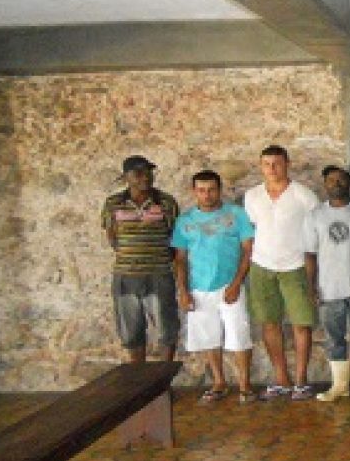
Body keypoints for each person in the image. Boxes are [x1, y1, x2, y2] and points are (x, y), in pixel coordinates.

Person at [171, 170, 256, 402]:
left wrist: (237, 282)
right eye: (201, 190)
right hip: (199, 287)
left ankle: (245, 384)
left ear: (219, 190)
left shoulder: (236, 215)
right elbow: (180, 258)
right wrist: (183, 290)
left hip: (230, 285)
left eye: (211, 190)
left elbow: (249, 249)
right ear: (194, 192)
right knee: (209, 337)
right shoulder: (185, 221)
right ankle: (219, 382)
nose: (207, 195)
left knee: (239, 334)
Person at [243, 145, 320, 401]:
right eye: (267, 164)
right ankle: (281, 377)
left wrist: (312, 275)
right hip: (262, 265)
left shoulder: (304, 196)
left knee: (301, 322)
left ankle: (301, 379)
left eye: (277, 163)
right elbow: (254, 228)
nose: (272, 169)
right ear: (260, 166)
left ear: (287, 164)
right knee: (269, 322)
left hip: (295, 265)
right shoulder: (252, 196)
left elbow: (314, 234)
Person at [304, 165, 350, 403]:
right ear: (325, 184)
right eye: (331, 180)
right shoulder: (315, 215)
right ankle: (340, 385)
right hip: (328, 288)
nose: (336, 184)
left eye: (341, 180)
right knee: (334, 339)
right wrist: (311, 286)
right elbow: (310, 254)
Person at [101, 155, 180, 363]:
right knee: (131, 333)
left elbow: (175, 238)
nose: (145, 177)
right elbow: (112, 236)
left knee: (166, 331)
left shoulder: (166, 202)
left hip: (159, 274)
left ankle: (162, 384)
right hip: (126, 277)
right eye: (138, 173)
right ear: (125, 177)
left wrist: (158, 258)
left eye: (148, 172)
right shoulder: (113, 204)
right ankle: (139, 384)